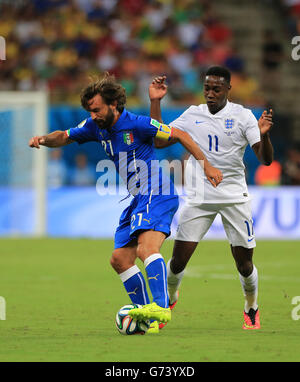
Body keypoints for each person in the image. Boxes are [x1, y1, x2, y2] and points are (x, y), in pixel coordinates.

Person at [28, 72, 223, 330]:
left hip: (157, 192)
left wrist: (206, 165)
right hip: (138, 198)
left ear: (113, 105)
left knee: (146, 249)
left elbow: (178, 135)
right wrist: (42, 139)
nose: (93, 115)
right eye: (90, 111)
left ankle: (161, 308)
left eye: (97, 110)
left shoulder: (137, 123)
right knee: (119, 259)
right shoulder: (93, 127)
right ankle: (146, 315)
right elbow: (64, 136)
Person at [149, 66, 274, 330]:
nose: (210, 93)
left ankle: (251, 305)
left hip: (233, 197)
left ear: (228, 89)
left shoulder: (242, 116)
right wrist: (155, 102)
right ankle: (169, 299)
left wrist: (264, 134)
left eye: (217, 89)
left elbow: (265, 159)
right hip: (198, 197)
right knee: (178, 261)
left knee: (244, 263)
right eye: (207, 88)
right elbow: (159, 141)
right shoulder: (192, 114)